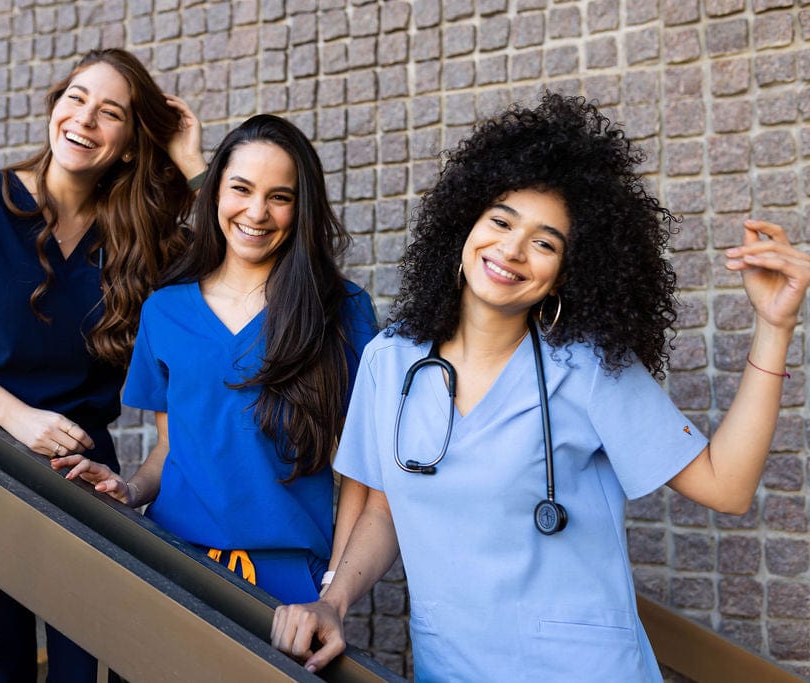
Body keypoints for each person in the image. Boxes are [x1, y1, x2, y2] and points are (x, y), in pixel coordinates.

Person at [270, 92, 810, 681]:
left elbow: (726, 487)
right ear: (465, 225)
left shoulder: (590, 369)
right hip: (452, 666)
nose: (512, 249)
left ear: (566, 273)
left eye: (545, 242)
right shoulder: (390, 360)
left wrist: (774, 328)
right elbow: (382, 505)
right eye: (500, 221)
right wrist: (334, 601)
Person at [0, 48, 205, 683]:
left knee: (93, 674)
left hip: (87, 490)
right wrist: (18, 420)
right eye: (76, 98)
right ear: (54, 108)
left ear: (127, 144)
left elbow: (240, 261)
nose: (85, 119)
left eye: (110, 112)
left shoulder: (142, 237)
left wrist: (193, 165)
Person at [53, 114, 378, 604]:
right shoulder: (164, 309)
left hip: (289, 578)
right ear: (215, 193)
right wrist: (132, 489)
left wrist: (334, 586)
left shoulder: (341, 310)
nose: (257, 211)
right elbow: (171, 446)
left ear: (301, 208)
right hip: (173, 561)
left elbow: (361, 462)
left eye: (280, 197)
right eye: (241, 189)